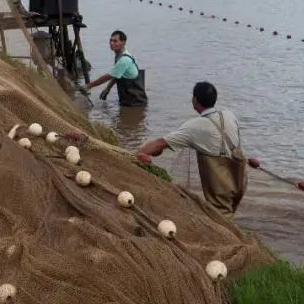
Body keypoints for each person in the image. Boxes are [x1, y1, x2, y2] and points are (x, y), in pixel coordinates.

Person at [137, 82, 246, 216]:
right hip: (241, 178)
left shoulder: (194, 127)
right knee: (230, 210)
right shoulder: (229, 115)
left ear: (195, 100)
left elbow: (159, 144)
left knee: (222, 216)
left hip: (221, 184)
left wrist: (137, 154)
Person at [83, 30, 147, 107]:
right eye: (111, 40)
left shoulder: (124, 60)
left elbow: (108, 76)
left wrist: (89, 86)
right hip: (128, 99)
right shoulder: (119, 56)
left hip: (136, 102)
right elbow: (116, 75)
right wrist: (107, 89)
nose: (111, 43)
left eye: (115, 41)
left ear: (123, 43)